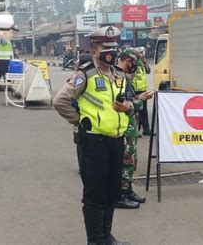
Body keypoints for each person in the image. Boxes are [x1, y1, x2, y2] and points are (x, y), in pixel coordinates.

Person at [53, 25, 132, 245]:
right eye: (106, 47)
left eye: (114, 47)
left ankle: (106, 237)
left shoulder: (119, 75)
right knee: (95, 194)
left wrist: (128, 108)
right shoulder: (84, 74)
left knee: (112, 192)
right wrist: (79, 120)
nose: (112, 51)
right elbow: (60, 101)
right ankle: (95, 240)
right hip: (94, 141)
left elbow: (125, 102)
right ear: (95, 50)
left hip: (116, 140)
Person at [114, 48, 153, 209]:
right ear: (128, 62)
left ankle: (128, 190)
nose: (134, 69)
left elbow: (129, 101)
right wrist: (139, 100)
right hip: (122, 127)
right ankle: (121, 194)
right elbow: (120, 106)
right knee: (126, 160)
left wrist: (139, 98)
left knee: (131, 160)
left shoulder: (124, 78)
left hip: (130, 125)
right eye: (133, 64)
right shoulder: (117, 78)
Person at [131, 47, 151, 136]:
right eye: (140, 53)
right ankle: (137, 130)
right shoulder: (133, 63)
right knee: (136, 111)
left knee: (144, 111)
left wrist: (145, 63)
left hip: (143, 90)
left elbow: (148, 71)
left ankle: (146, 130)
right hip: (135, 91)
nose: (142, 55)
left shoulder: (142, 63)